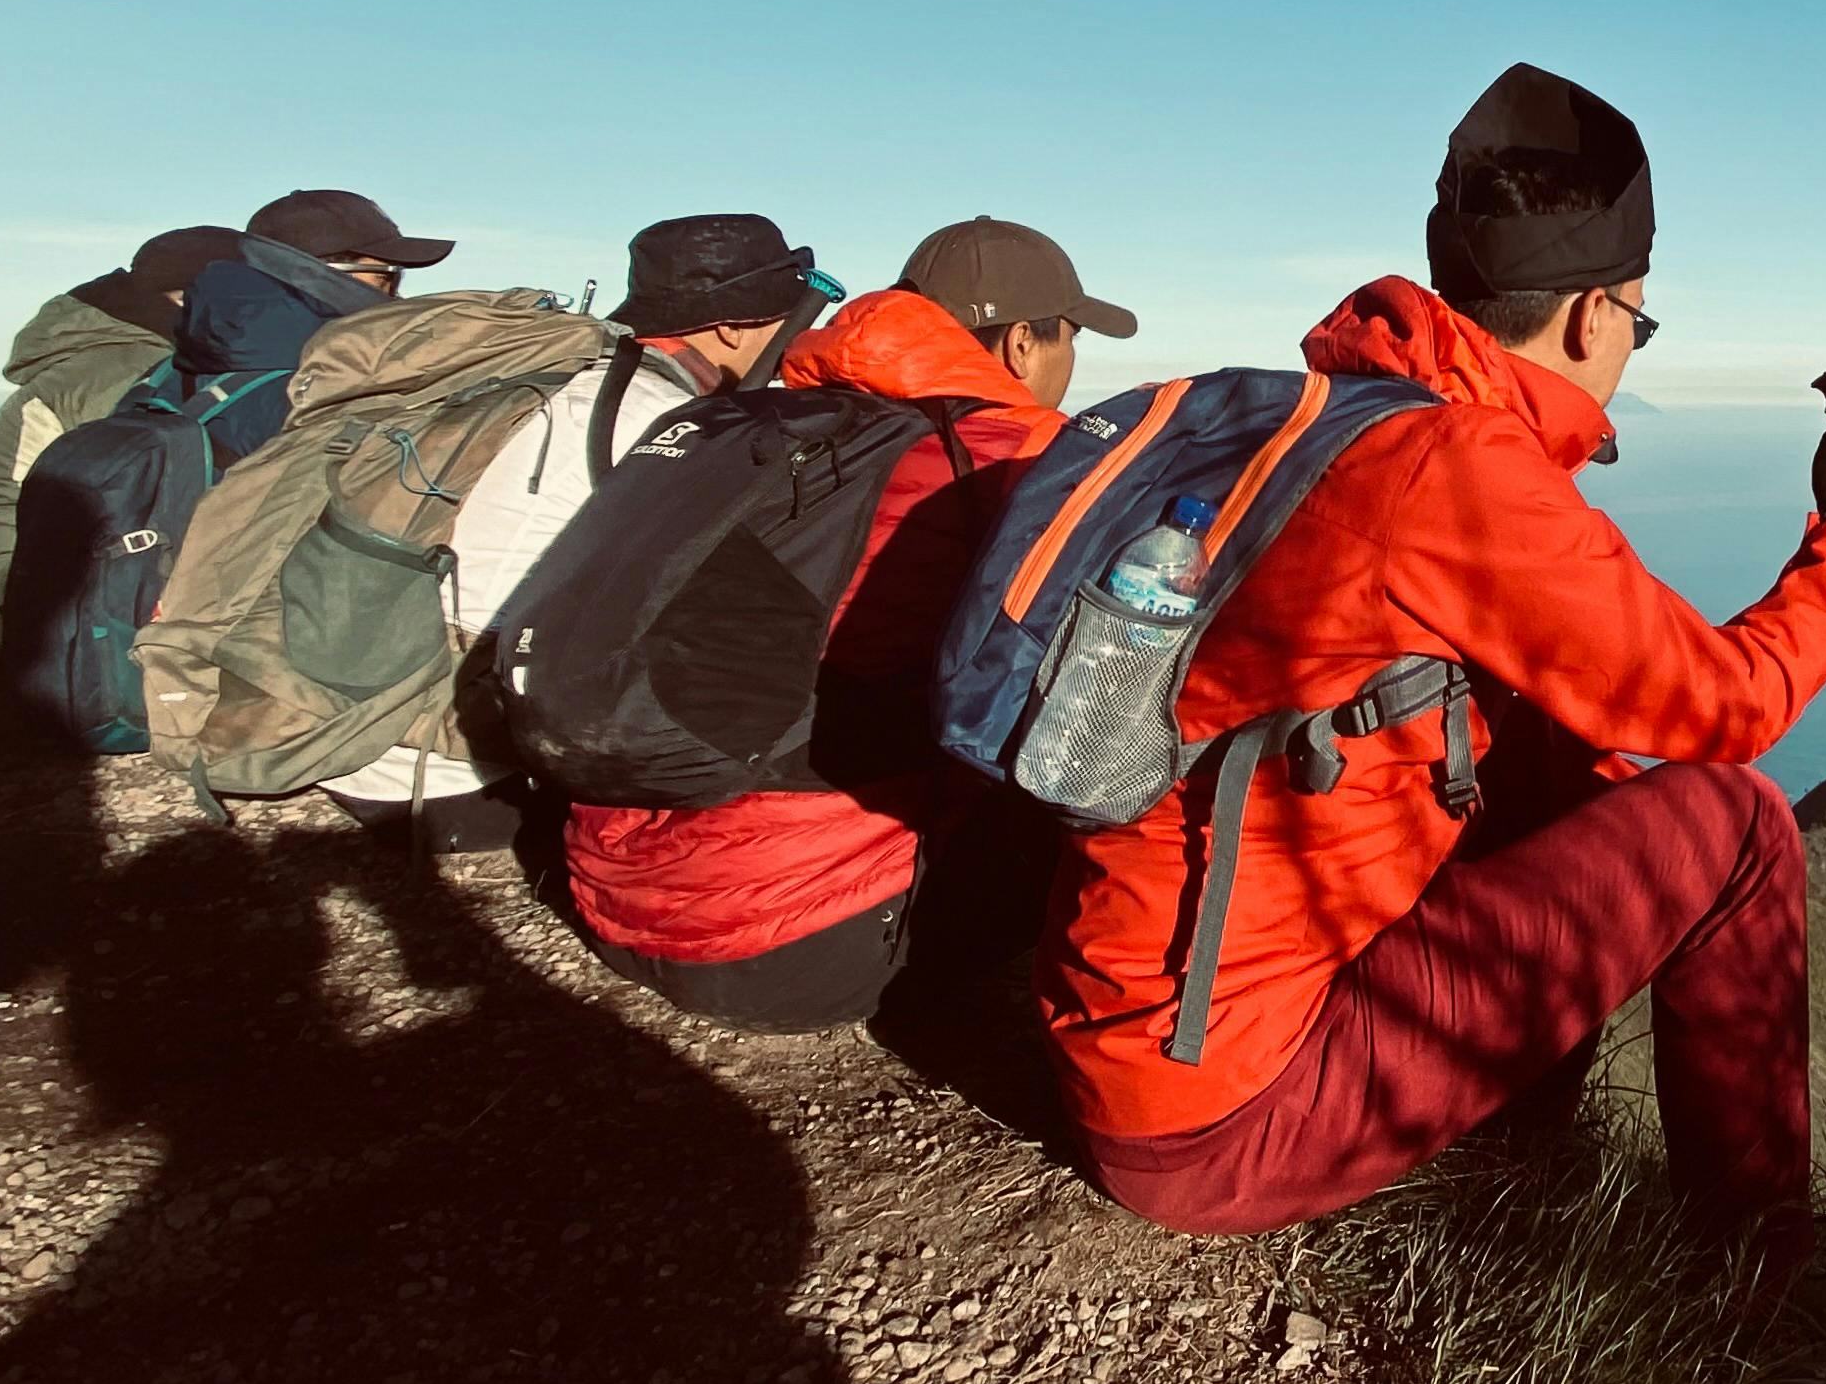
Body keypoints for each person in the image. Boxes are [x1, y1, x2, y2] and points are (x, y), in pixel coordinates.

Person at [1037, 65, 1826, 1276]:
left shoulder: (1322, 421)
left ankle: (1525, 1144)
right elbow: (1728, 707)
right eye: (1638, 323)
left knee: (1577, 761)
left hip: (1139, 1030)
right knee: (1740, 827)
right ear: (1590, 317)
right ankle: (1761, 1285)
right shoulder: (1450, 472)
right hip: (1224, 1113)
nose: (1626, 347)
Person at [558, 218, 1139, 1033]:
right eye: (1068, 337)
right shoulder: (1017, 462)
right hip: (785, 950)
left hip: (614, 879)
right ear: (1018, 345)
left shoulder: (763, 423)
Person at [324, 215, 834, 858]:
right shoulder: (665, 421)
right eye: (790, 319)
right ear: (732, 324)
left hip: (366, 730)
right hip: (462, 780)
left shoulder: (562, 381)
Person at [0, 224, 243, 668]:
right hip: (124, 646)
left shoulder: (69, 380)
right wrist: (0, 645)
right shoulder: (125, 375)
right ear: (185, 296)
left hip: (97, 644)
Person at [174, 189, 458, 463]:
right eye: (386, 278)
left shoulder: (170, 370)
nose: (396, 297)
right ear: (319, 276)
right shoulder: (329, 388)